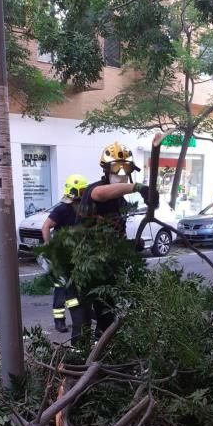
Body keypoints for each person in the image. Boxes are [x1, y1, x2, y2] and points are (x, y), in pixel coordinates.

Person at [78, 141, 158, 336]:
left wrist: (129, 246)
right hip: (88, 265)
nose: (121, 173)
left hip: (108, 266)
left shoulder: (119, 200)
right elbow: (100, 194)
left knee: (107, 314)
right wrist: (138, 187)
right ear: (106, 170)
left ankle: (102, 353)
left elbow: (113, 233)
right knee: (85, 321)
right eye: (117, 168)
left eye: (126, 168)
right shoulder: (94, 190)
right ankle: (84, 359)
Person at [41, 174, 88, 340]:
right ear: (74, 191)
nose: (84, 193)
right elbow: (45, 227)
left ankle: (79, 317)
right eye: (82, 190)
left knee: (74, 289)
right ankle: (59, 320)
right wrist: (49, 248)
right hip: (61, 257)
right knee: (61, 289)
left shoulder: (82, 209)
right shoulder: (62, 209)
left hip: (75, 257)